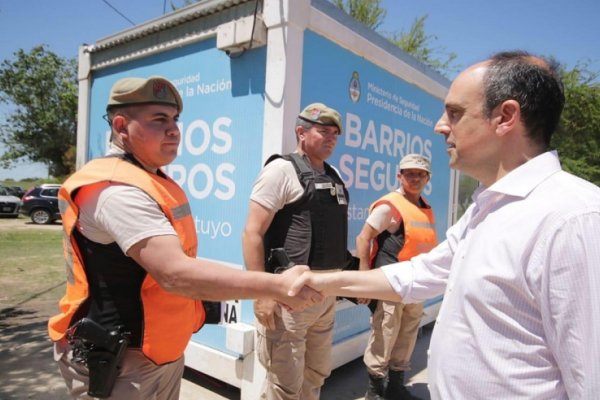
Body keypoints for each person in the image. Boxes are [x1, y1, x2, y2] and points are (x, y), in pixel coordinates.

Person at [289, 51, 600, 399]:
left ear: (505, 117)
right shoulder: (487, 208)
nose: (440, 126)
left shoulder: (574, 220)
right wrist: (321, 280)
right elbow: (420, 273)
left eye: (455, 113)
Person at [48, 76, 320, 400]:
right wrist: (275, 286)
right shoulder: (115, 190)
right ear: (121, 126)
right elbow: (175, 273)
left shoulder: (150, 179)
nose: (174, 129)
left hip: (156, 352)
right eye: (159, 120)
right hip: (121, 360)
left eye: (175, 119)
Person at [242, 103, 349, 400]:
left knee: (314, 376)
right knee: (284, 385)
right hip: (288, 299)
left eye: (335, 134)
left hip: (324, 296)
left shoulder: (333, 174)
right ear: (301, 132)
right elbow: (252, 233)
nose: (331, 139)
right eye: (323, 131)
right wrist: (262, 294)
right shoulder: (281, 170)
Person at [356, 154, 437, 400]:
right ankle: (375, 392)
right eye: (409, 173)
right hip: (390, 283)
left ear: (427, 178)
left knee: (407, 334)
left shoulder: (423, 206)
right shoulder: (389, 206)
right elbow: (363, 238)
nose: (415, 178)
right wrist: (363, 276)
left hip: (415, 283)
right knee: (385, 333)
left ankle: (395, 387)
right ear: (399, 176)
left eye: (420, 174)